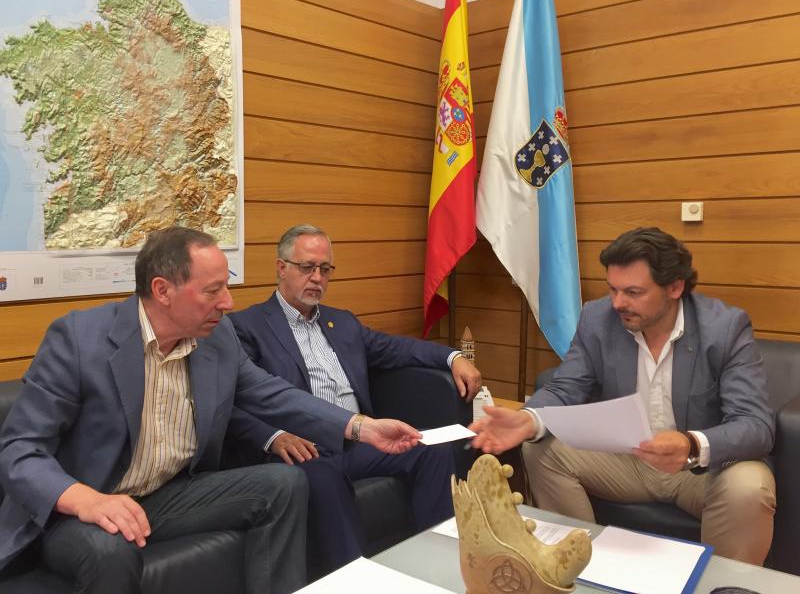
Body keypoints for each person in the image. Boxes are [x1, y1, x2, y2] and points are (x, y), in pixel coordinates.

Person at [0, 227, 422, 594]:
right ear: (163, 290)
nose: (228, 303)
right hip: (80, 507)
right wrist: (84, 500)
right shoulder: (79, 339)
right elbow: (19, 448)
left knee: (285, 483)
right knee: (110, 550)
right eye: (212, 290)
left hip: (166, 493)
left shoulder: (217, 341)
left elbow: (272, 395)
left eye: (227, 286)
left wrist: (359, 426)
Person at [470, 227, 776, 565]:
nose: (618, 303)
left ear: (675, 287)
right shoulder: (597, 319)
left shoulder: (725, 328)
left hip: (699, 471)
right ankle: (580, 567)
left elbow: (755, 424)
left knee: (750, 487)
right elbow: (565, 387)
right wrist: (527, 419)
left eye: (632, 292)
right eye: (613, 289)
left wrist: (691, 445)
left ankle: (725, 587)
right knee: (541, 449)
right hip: (629, 461)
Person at [226, 224, 482, 576]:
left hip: (359, 442)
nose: (317, 278)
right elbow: (237, 397)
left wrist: (452, 357)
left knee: (431, 450)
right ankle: (353, 580)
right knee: (323, 477)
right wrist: (272, 437)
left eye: (325, 269)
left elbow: (397, 348)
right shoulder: (247, 326)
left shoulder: (342, 323)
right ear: (281, 267)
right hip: (304, 450)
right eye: (306, 267)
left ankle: (442, 566)